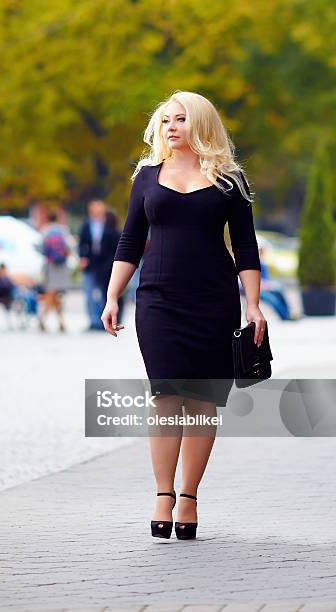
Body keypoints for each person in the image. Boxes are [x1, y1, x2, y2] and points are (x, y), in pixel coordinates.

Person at [101, 90, 267, 540]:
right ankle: (162, 493)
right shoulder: (147, 177)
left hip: (214, 300)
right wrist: (113, 295)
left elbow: (247, 248)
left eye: (180, 119)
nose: (170, 127)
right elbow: (130, 240)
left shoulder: (229, 181)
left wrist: (253, 305)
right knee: (166, 395)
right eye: (165, 120)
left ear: (200, 125)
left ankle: (189, 495)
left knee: (202, 401)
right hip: (158, 300)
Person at [78, 199, 107, 331]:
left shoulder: (107, 224)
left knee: (103, 293)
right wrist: (82, 258)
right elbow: (81, 243)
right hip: (90, 262)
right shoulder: (86, 225)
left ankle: (102, 320)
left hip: (103, 264)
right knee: (89, 293)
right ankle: (93, 320)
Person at [39, 209, 71, 332]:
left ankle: (55, 320)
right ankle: (50, 320)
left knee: (52, 293)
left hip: (50, 265)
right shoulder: (62, 230)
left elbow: (41, 248)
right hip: (61, 266)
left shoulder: (45, 231)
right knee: (53, 293)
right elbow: (69, 247)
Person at [95, 210, 126, 324]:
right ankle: (118, 317)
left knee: (107, 294)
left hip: (106, 267)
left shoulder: (105, 233)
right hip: (117, 265)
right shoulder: (118, 233)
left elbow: (101, 252)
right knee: (119, 293)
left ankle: (108, 318)